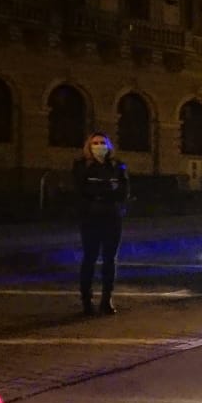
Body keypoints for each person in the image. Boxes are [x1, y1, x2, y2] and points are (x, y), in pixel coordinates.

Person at [72, 132, 129, 315]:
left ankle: (106, 299)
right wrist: (105, 190)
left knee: (109, 259)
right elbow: (81, 190)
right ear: (89, 146)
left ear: (108, 145)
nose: (99, 146)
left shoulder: (117, 165)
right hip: (90, 217)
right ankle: (86, 300)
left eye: (102, 143)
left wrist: (101, 191)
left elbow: (123, 191)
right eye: (95, 143)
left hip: (112, 217)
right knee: (89, 257)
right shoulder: (82, 165)